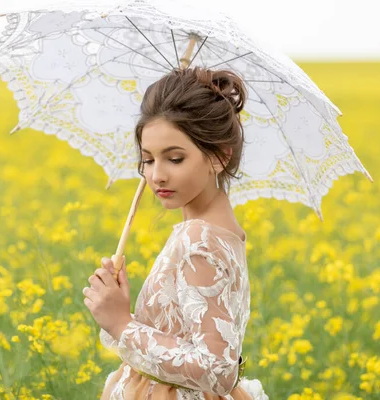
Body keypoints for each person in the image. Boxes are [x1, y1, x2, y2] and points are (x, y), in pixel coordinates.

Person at [83, 66, 269, 399]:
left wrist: (121, 324)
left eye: (175, 158)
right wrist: (122, 311)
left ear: (219, 157)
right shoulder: (219, 231)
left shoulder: (202, 240)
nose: (157, 175)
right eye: (148, 159)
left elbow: (217, 368)